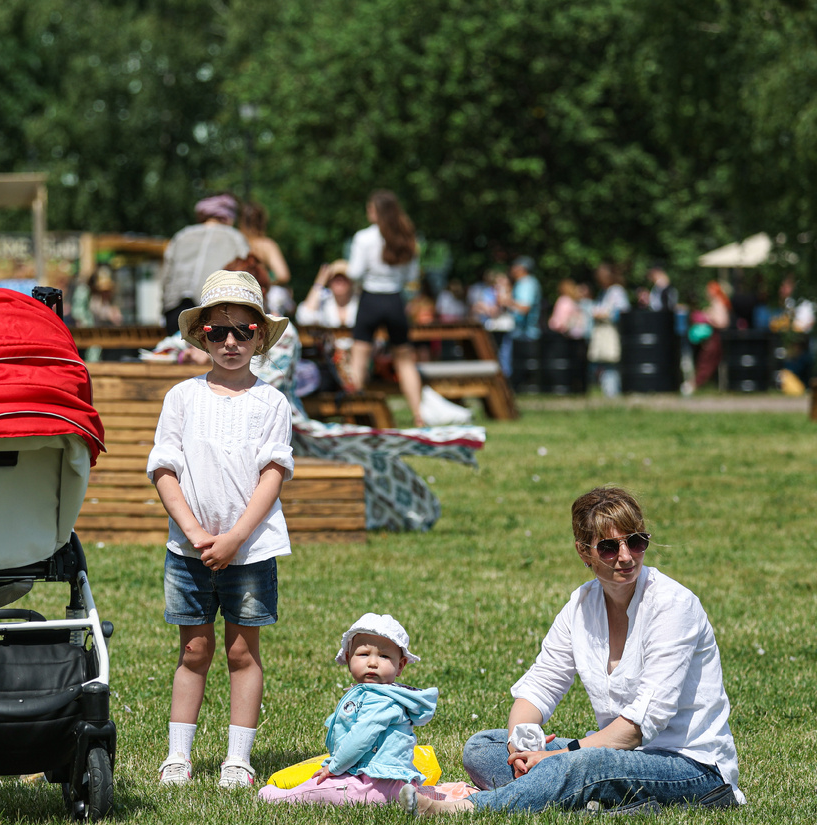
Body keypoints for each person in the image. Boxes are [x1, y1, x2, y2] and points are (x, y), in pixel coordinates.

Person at [402, 486, 744, 815]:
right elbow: (540, 685)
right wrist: (519, 745)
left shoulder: (673, 605)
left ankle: (461, 809)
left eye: (636, 542)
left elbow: (639, 727)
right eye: (609, 548)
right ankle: (576, 797)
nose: (626, 556)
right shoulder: (581, 605)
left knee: (584, 763)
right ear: (584, 552)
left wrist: (558, 757)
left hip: (692, 767)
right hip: (615, 755)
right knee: (483, 747)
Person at [148, 269, 294, 788]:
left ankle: (238, 758)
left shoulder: (271, 403)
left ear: (259, 338)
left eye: (243, 332)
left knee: (241, 650)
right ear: (201, 336)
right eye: (218, 332)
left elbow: (272, 474)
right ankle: (178, 756)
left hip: (249, 551)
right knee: (193, 649)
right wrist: (192, 530)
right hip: (188, 550)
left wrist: (234, 538)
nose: (231, 342)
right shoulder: (182, 398)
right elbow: (164, 468)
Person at [258, 613, 441, 806]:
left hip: (377, 781)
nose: (372, 662)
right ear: (348, 657)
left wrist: (334, 767)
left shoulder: (382, 700)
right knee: (327, 783)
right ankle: (415, 795)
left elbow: (360, 737)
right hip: (380, 778)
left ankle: (283, 798)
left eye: (384, 656)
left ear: (400, 665)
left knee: (324, 790)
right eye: (364, 654)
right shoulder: (368, 693)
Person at [346, 189, 425, 426]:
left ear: (378, 211)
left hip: (370, 299)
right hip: (395, 300)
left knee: (359, 357)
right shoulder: (407, 237)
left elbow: (354, 272)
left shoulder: (363, 238)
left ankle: (356, 414)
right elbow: (411, 275)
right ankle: (418, 416)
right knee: (405, 360)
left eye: (370, 208)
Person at [160, 193, 250, 334]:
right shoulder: (234, 238)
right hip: (213, 309)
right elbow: (246, 273)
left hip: (175, 309)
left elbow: (166, 276)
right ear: (228, 216)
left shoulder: (181, 236)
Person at [239, 201, 293, 316]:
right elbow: (283, 275)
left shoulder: (233, 242)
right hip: (262, 297)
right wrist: (265, 282)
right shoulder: (266, 245)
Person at [496, 256, 541, 378]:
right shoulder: (523, 283)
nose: (512, 269)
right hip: (520, 332)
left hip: (525, 333)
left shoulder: (527, 283)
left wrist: (507, 301)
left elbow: (525, 308)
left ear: (521, 268)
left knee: (519, 364)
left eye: (514, 267)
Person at [588, 264, 629, 397]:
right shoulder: (603, 292)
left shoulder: (617, 291)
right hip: (602, 332)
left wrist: (604, 314)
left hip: (611, 332)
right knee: (604, 363)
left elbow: (622, 312)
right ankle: (609, 392)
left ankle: (613, 393)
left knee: (612, 362)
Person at [296, 259, 359, 329]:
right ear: (329, 281)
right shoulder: (324, 298)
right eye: (336, 278)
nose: (340, 281)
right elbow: (304, 317)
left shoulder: (359, 300)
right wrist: (320, 282)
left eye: (344, 278)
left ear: (351, 282)